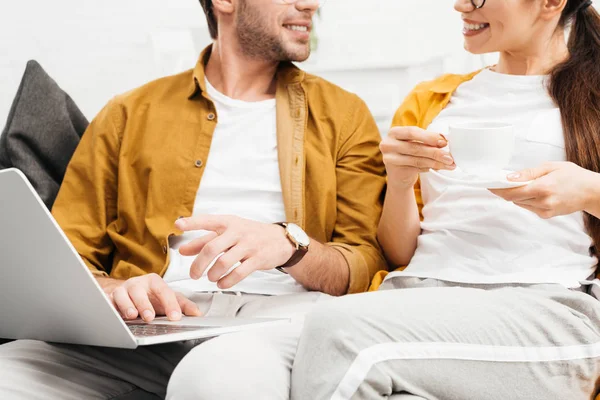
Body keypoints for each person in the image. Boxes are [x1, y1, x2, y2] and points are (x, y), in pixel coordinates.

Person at [0, 0, 387, 399]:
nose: (310, 3)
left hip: (275, 322)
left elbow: (366, 265)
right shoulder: (129, 113)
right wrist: (115, 289)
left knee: (213, 380)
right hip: (148, 327)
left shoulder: (344, 114)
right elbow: (66, 258)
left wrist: (290, 245)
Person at [291, 0, 600, 399]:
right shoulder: (434, 98)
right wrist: (400, 182)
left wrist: (591, 191)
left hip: (549, 309)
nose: (461, 5)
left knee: (336, 332)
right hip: (417, 296)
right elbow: (399, 250)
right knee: (242, 361)